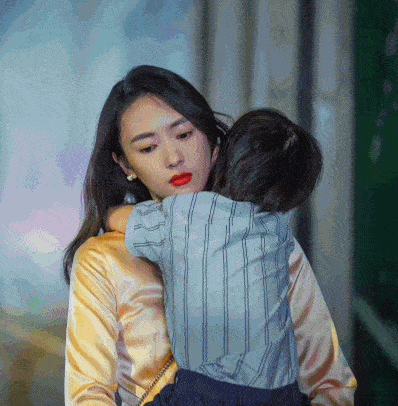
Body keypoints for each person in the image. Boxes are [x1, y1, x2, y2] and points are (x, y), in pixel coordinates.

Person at [63, 65, 357, 406]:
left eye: (184, 134)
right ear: (126, 165)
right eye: (148, 148)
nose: (174, 158)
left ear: (212, 139)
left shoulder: (270, 241)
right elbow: (88, 395)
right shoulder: (102, 259)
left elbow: (331, 383)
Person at [106, 109, 322, 405]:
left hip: (210, 390)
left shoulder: (187, 214)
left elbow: (118, 219)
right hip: (282, 390)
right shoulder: (278, 226)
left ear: (219, 157)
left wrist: (110, 210)